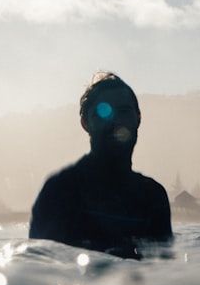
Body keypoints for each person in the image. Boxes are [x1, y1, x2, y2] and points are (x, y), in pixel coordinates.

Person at [29, 72, 172, 259]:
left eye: (124, 111)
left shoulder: (153, 197)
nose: (115, 122)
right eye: (103, 112)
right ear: (85, 123)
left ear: (138, 119)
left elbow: (163, 270)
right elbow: (38, 269)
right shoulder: (60, 190)